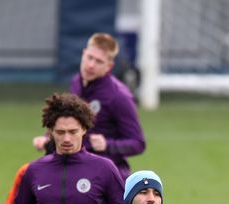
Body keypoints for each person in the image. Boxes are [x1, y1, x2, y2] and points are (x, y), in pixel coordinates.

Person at [33, 32, 145, 179]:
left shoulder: (119, 96)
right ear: (83, 54)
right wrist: (47, 138)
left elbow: (137, 143)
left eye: (99, 61)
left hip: (105, 176)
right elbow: (68, 120)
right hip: (74, 167)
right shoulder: (76, 83)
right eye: (89, 58)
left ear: (109, 66)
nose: (91, 65)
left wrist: (107, 144)